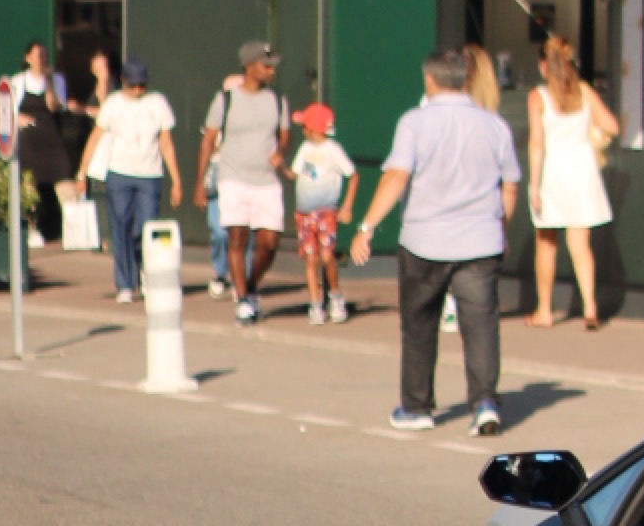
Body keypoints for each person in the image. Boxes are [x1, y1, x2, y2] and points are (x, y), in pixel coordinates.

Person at [351, 48, 521, 435]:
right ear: (465, 78)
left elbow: (396, 177)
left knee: (420, 324)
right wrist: (502, 230)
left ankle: (417, 407)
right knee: (480, 325)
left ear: (429, 80)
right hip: (480, 240)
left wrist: (367, 226)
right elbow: (509, 185)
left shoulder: (414, 123)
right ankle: (484, 403)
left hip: (425, 239)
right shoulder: (494, 126)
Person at [525, 32, 618, 328]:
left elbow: (537, 143)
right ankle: (590, 308)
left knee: (546, 242)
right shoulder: (584, 92)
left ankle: (544, 311)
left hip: (553, 171)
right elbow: (612, 127)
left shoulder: (538, 97)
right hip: (582, 170)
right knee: (580, 245)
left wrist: (534, 185)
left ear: (543, 66)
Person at [195, 40, 291, 323]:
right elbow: (208, 141)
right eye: (266, 65)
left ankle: (248, 287)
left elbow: (285, 135)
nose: (272, 71)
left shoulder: (277, 100)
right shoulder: (225, 100)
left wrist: (280, 152)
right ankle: (243, 299)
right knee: (237, 238)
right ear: (250, 67)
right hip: (233, 177)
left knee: (269, 242)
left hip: (266, 181)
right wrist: (200, 182)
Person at [84, 60, 182, 295]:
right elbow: (96, 137)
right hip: (119, 174)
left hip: (150, 175)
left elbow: (166, 143)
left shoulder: (157, 103)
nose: (138, 90)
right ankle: (125, 283)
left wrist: (176, 180)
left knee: (146, 227)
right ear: (124, 82)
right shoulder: (113, 104)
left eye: (142, 85)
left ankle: (146, 269)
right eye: (134, 85)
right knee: (121, 226)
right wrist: (82, 171)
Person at [290, 102, 357, 323]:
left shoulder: (333, 150)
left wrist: (346, 207)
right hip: (304, 214)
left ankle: (335, 296)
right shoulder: (304, 149)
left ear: (314, 128)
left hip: (326, 212)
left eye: (304, 125)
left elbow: (353, 175)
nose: (302, 130)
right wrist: (279, 165)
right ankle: (315, 303)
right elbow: (296, 173)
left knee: (327, 256)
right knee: (311, 259)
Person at [11, 41, 72, 247]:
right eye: (37, 55)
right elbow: (3, 110)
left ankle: (74, 231)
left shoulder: (57, 80)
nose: (41, 60)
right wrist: (17, 118)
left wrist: (48, 82)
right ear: (28, 58)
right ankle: (32, 229)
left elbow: (53, 106)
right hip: (29, 142)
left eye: (44, 55)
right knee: (30, 187)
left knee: (65, 185)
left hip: (51, 140)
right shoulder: (18, 82)